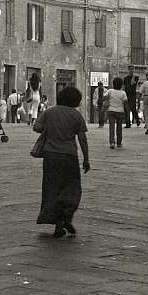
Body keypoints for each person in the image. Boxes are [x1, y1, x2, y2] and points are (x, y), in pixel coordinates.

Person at [33, 86, 90, 238]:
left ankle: (58, 223)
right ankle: (66, 218)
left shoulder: (49, 112)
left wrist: (49, 129)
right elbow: (82, 139)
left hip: (51, 156)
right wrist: (86, 158)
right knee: (71, 189)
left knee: (53, 188)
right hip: (69, 156)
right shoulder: (76, 115)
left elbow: (36, 127)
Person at [103, 77, 128, 149]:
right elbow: (126, 102)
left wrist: (107, 101)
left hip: (111, 111)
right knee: (119, 127)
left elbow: (104, 97)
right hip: (120, 112)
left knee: (112, 127)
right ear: (121, 85)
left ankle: (112, 142)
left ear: (113, 84)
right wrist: (126, 112)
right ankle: (119, 143)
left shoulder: (110, 91)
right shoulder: (123, 93)